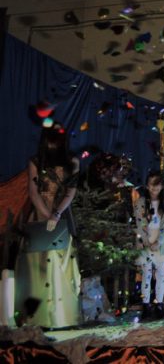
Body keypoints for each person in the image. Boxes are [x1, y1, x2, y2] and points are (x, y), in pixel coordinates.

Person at [14, 124, 81, 328]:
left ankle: (63, 316)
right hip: (39, 214)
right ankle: (36, 317)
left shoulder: (72, 161)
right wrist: (46, 215)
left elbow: (71, 191)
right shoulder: (36, 161)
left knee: (61, 260)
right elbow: (33, 191)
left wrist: (57, 214)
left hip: (61, 214)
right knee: (37, 263)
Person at [134, 171, 164, 320]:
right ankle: (146, 305)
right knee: (146, 274)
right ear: (147, 185)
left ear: (161, 186)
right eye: (151, 184)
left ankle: (160, 305)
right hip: (146, 242)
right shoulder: (141, 202)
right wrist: (145, 241)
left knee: (160, 274)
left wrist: (159, 242)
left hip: (161, 243)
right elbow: (139, 223)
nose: (154, 188)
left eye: (157, 184)